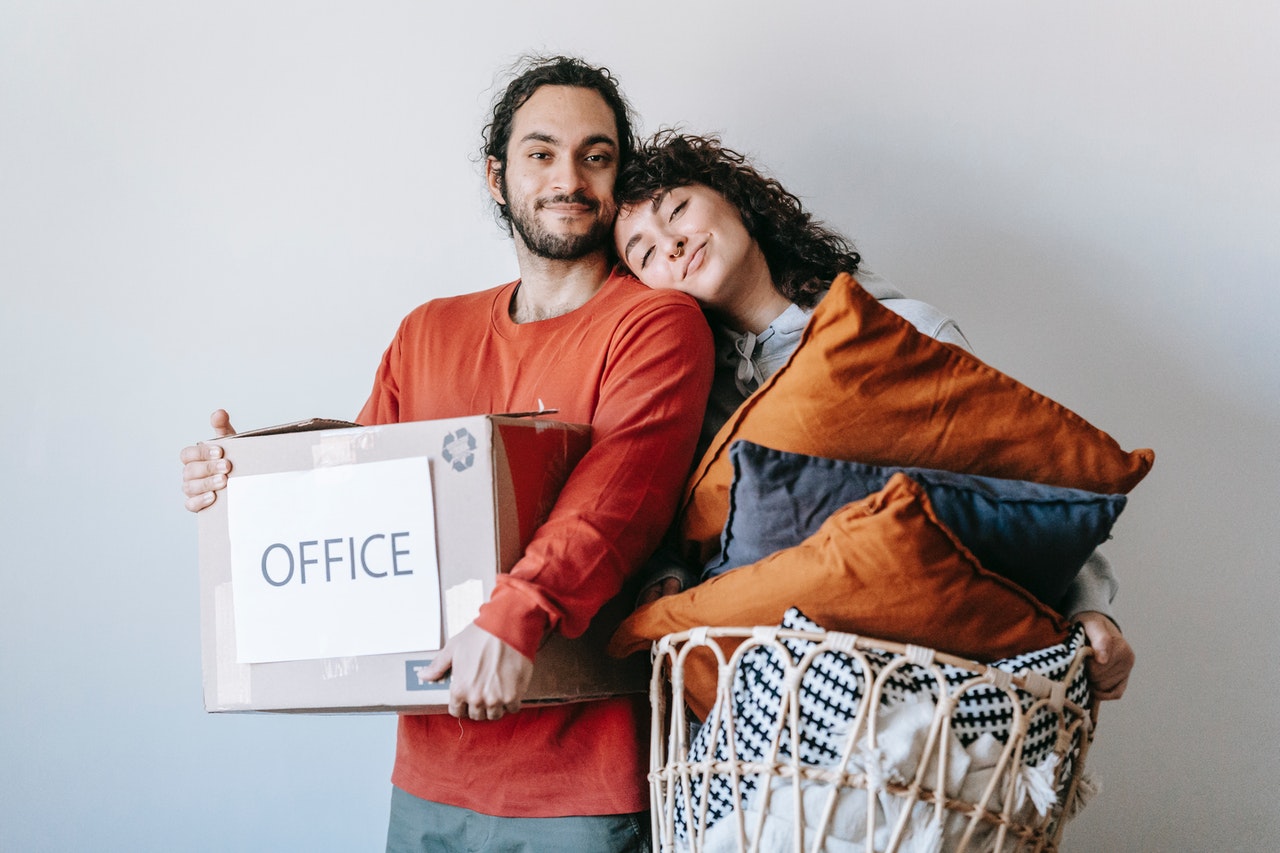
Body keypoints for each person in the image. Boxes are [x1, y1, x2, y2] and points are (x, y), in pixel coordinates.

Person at [181, 58, 714, 852]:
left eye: (595, 156)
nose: (568, 177)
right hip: (427, 775)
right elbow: (353, 499)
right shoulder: (427, 331)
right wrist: (245, 484)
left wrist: (516, 615)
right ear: (498, 178)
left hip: (579, 783)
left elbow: (615, 499)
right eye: (541, 152)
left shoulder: (657, 325)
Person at [611, 131, 1134, 701]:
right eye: (642, 252)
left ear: (735, 199)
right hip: (776, 707)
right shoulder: (683, 398)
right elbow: (688, 546)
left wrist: (1091, 610)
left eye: (678, 210)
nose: (670, 243)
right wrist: (668, 582)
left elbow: (1021, 492)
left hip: (939, 674)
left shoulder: (908, 333)